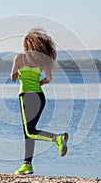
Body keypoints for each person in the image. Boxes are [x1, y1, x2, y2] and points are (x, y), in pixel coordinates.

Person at [10, 28, 68, 175]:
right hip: (40, 97)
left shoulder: (19, 58)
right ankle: (27, 165)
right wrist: (38, 84)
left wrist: (18, 72)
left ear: (27, 45)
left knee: (29, 131)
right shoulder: (43, 62)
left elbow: (13, 78)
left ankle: (57, 138)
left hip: (26, 97)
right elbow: (49, 78)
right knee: (30, 131)